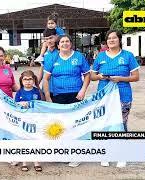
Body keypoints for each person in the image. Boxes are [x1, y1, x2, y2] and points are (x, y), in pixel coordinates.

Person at [91, 29, 140, 168]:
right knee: (104, 124)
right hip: (104, 96)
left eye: (114, 38)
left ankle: (121, 155)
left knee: (121, 124)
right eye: (109, 39)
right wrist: (100, 76)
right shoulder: (100, 57)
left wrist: (121, 79)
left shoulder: (128, 55)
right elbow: (93, 76)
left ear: (119, 40)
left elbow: (136, 77)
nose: (111, 40)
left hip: (123, 94)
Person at [43, 34, 91, 167]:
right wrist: (48, 96)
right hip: (57, 96)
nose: (65, 43)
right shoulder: (52, 57)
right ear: (58, 45)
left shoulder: (79, 57)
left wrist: (83, 90)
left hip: (75, 95)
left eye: (67, 41)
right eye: (62, 42)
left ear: (71, 44)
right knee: (59, 124)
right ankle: (60, 152)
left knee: (75, 124)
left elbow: (87, 75)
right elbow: (46, 79)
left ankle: (76, 155)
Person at [14, 70, 43, 172]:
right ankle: (24, 162)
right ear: (21, 81)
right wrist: (20, 104)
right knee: (24, 141)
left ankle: (36, 161)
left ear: (34, 80)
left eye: (30, 79)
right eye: (25, 79)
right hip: (23, 121)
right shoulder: (19, 93)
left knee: (35, 140)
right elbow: (15, 106)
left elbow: (42, 106)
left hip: (35, 120)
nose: (28, 81)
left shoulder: (38, 92)